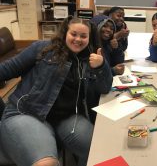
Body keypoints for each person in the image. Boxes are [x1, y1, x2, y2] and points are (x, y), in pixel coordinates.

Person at [0, 17, 113, 166]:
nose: (78, 39)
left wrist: (101, 66)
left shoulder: (90, 59)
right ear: (66, 32)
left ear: (89, 38)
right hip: (28, 113)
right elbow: (7, 69)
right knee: (46, 163)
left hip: (67, 118)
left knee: (100, 151)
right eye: (74, 34)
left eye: (83, 36)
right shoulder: (43, 48)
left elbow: (105, 87)